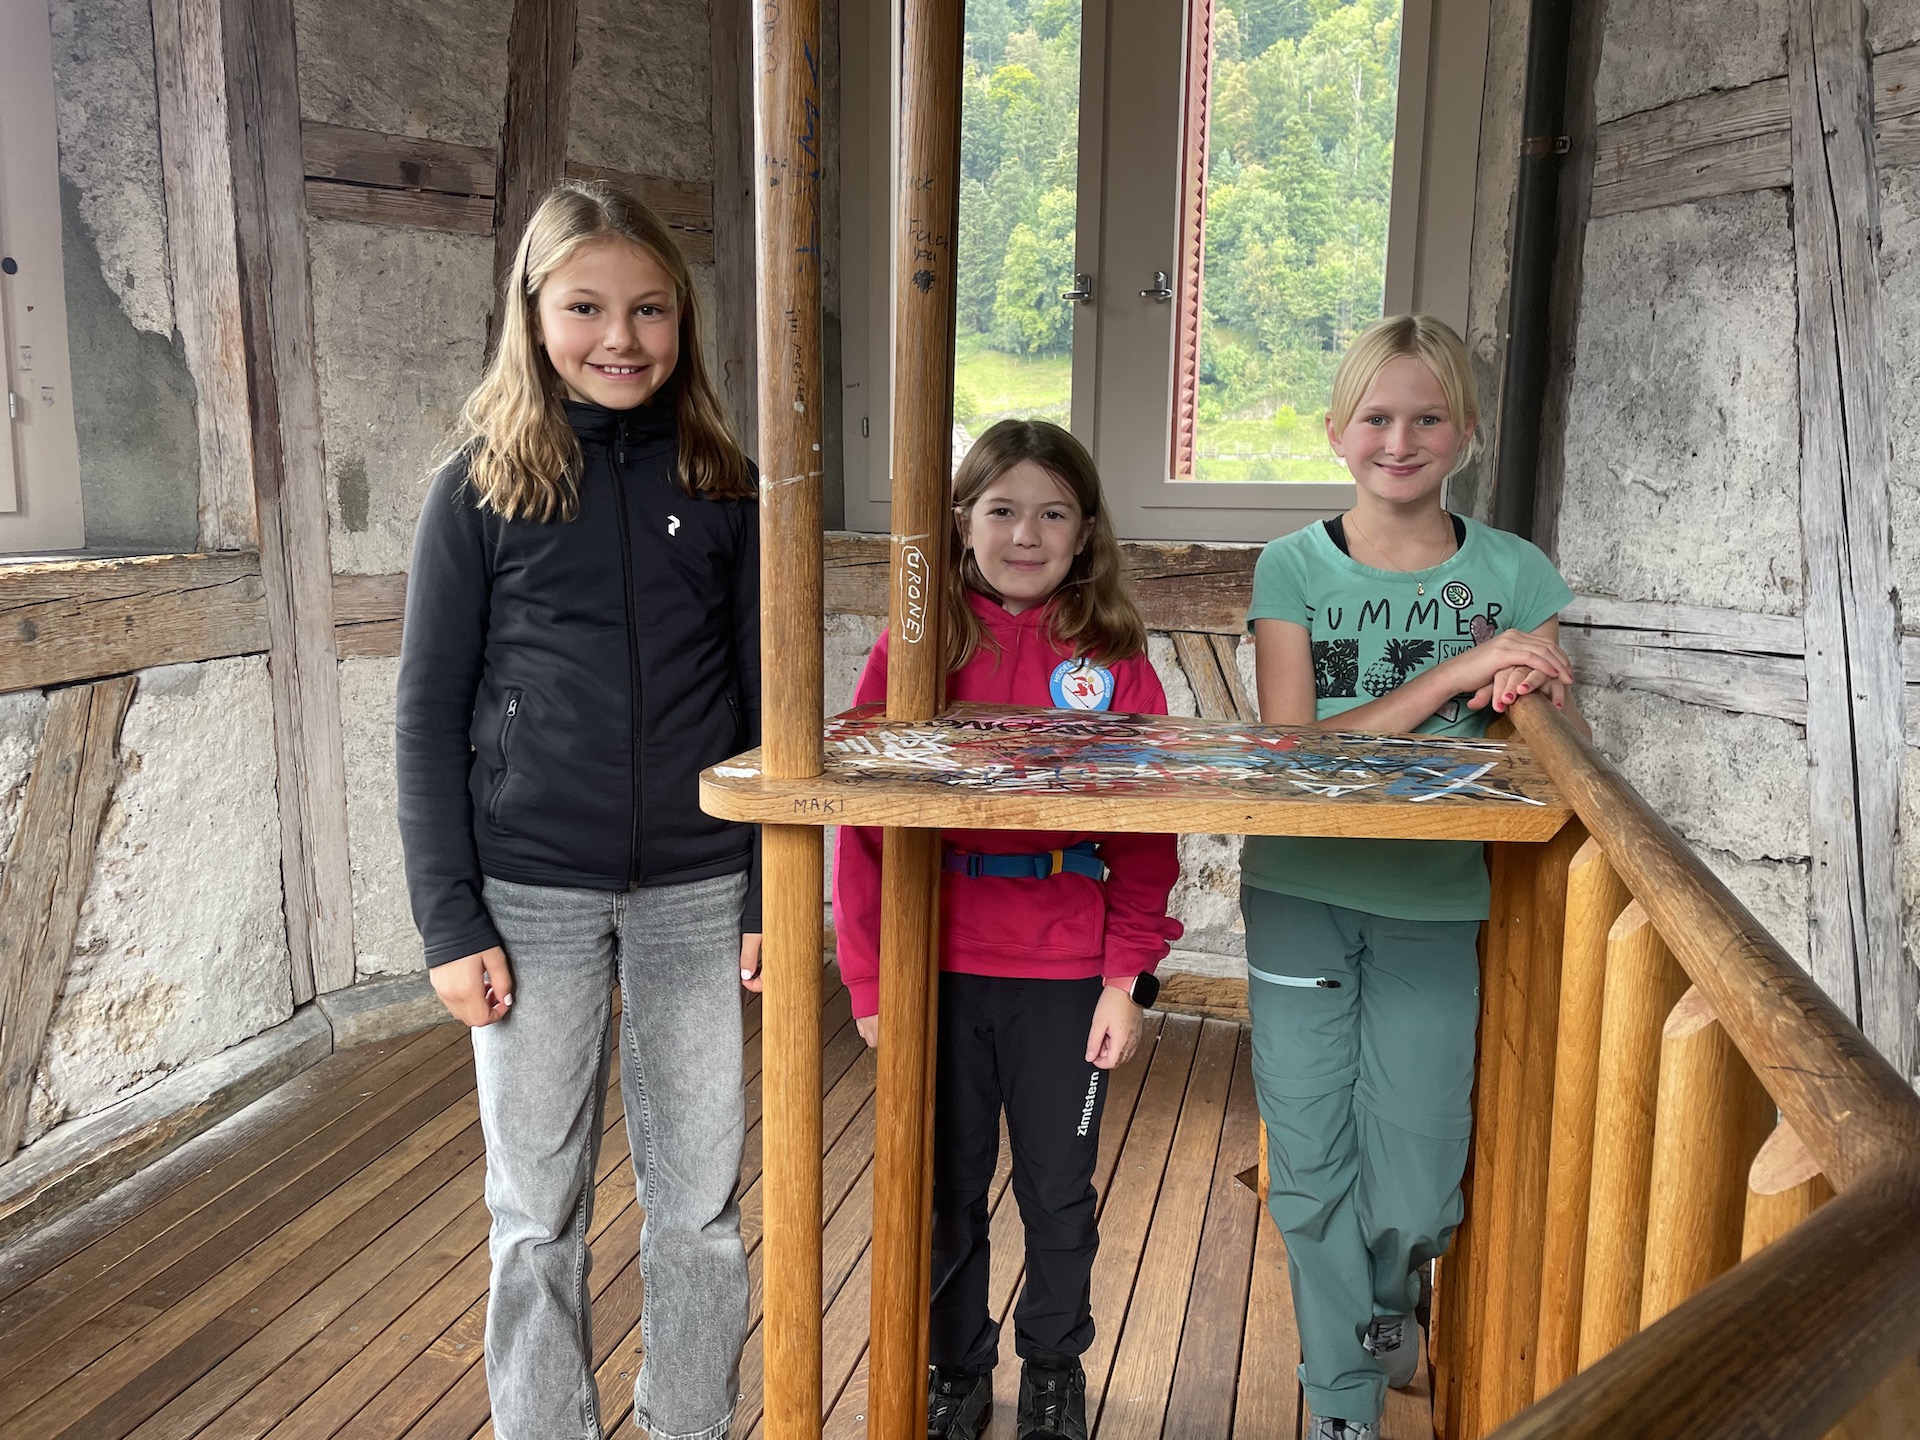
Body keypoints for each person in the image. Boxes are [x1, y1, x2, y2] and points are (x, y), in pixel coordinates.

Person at [395, 180, 760, 1440]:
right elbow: (425, 716)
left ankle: (688, 1423)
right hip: (527, 899)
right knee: (534, 1212)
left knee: (700, 1210)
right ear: (533, 313)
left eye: (650, 309)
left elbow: (768, 710)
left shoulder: (726, 486)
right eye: (587, 307)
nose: (621, 337)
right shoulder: (477, 491)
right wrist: (450, 922)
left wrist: (770, 890)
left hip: (700, 892)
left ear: (683, 320)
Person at [1242, 314, 1588, 1440]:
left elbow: (1551, 741)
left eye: (1428, 417)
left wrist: (1529, 693)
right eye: (1377, 417)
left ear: (1466, 432)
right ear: (1337, 431)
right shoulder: (1293, 566)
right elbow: (1298, 753)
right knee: (1310, 1167)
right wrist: (1458, 673)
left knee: (1418, 1178)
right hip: (1300, 890)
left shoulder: (1515, 574)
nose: (1400, 440)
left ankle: (1384, 1318)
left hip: (1437, 900)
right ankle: (1342, 1408)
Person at [833, 420, 1184, 1440]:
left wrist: (1125, 978)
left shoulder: (1115, 663)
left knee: (1057, 1192)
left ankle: (1052, 1370)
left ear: (1086, 531)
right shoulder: (913, 655)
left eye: (1052, 513)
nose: (1025, 535)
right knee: (944, 1188)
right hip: (936, 969)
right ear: (961, 523)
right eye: (1002, 510)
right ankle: (956, 1368)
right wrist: (872, 981)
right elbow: (863, 829)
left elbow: (1146, 831)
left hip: (1064, 973)